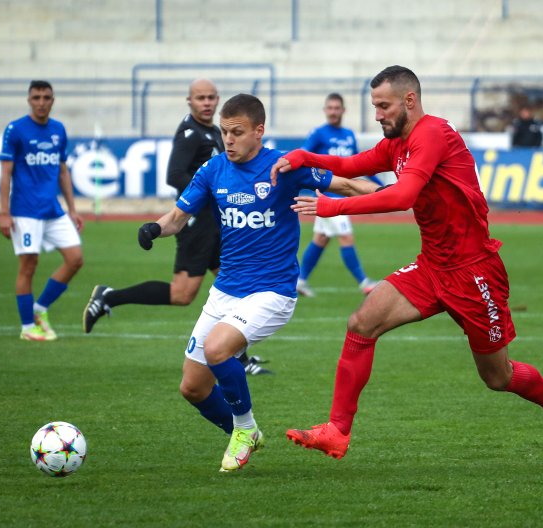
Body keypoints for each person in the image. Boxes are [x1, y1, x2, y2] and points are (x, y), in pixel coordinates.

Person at [272, 65, 543, 459]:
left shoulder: (432, 134)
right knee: (362, 323)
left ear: (409, 101)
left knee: (497, 377)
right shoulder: (397, 141)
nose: (377, 114)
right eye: (374, 106)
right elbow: (354, 165)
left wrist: (334, 206)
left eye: (383, 106)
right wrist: (303, 156)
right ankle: (337, 431)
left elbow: (402, 196)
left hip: (474, 272)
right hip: (432, 267)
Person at [135, 94, 376, 472]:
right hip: (225, 292)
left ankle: (245, 430)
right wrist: (155, 228)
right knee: (193, 388)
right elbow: (178, 217)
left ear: (258, 131)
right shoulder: (214, 170)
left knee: (218, 350)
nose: (228, 140)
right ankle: (245, 431)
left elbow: (344, 184)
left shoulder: (283, 167)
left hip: (272, 291)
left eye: (237, 132)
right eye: (224, 132)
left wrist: (394, 195)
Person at [81, 79, 271, 375]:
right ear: (189, 102)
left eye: (211, 98)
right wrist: (209, 194)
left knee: (238, 288)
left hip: (218, 223)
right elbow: (175, 174)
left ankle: (238, 357)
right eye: (200, 98)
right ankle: (110, 296)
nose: (206, 103)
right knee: (183, 294)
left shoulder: (213, 131)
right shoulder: (190, 133)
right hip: (197, 223)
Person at [0, 80, 84, 341]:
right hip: (25, 211)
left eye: (46, 97)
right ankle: (28, 328)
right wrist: (3, 212)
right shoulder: (15, 130)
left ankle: (40, 308)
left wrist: (72, 208)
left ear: (53, 100)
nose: (41, 102)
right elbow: (6, 173)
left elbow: (62, 171)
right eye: (36, 97)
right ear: (29, 100)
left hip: (53, 210)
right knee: (28, 266)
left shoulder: (58, 129)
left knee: (75, 259)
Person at [295, 93, 380, 298]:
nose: (333, 111)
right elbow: (303, 158)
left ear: (343, 110)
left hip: (345, 193)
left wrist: (379, 184)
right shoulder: (318, 134)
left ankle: (299, 280)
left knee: (321, 239)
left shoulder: (349, 135)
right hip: (329, 196)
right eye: (330, 108)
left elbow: (357, 165)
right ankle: (364, 283)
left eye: (336, 108)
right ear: (325, 110)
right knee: (345, 236)